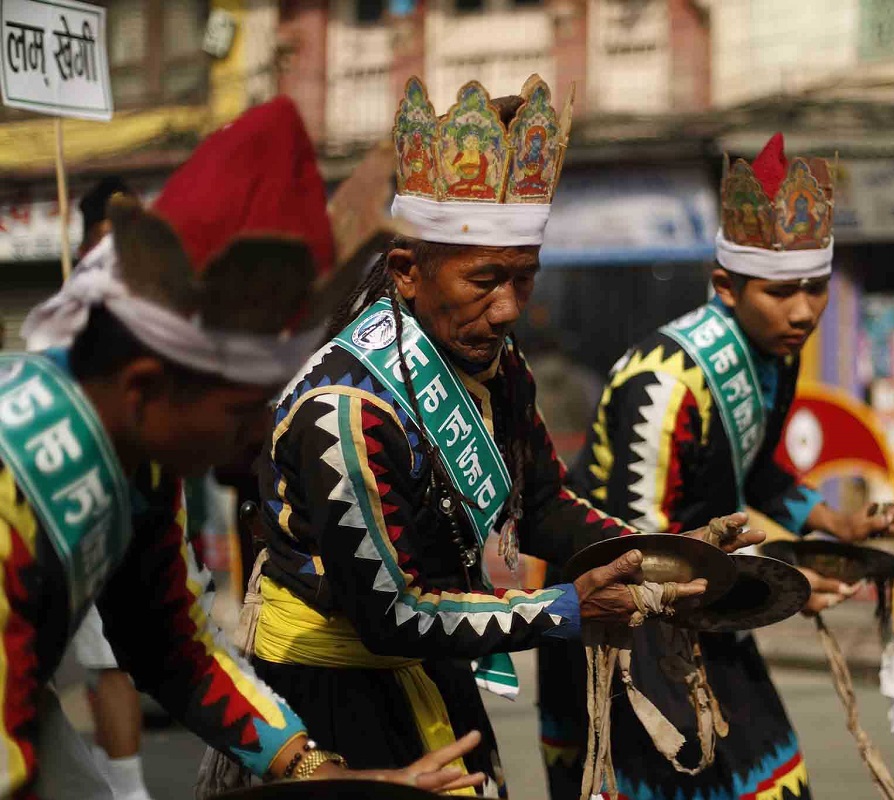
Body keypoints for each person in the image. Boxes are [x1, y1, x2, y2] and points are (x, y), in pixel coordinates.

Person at [249, 74, 759, 797]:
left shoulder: (493, 360)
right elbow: (393, 611)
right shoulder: (348, 411)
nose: (509, 308)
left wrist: (662, 558)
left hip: (436, 678)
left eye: (525, 279)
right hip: (332, 698)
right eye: (486, 280)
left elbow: (545, 504)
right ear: (406, 273)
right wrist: (565, 608)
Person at [2, 96, 484, 798]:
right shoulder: (21, 489)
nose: (261, 433)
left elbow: (175, 644)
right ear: (142, 387)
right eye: (242, 410)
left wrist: (319, 772)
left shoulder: (138, 459)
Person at [536, 133, 894, 800]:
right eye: (780, 291)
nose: (803, 311)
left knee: (774, 779)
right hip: (627, 619)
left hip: (702, 599)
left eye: (815, 288)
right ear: (727, 285)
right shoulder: (665, 384)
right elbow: (639, 549)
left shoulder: (776, 349)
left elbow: (758, 465)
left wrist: (837, 524)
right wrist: (785, 580)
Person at [68, 175, 157, 800]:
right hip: (74, 503)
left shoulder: (158, 293)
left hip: (133, 504)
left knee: (113, 655)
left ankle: (128, 790)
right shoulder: (72, 309)